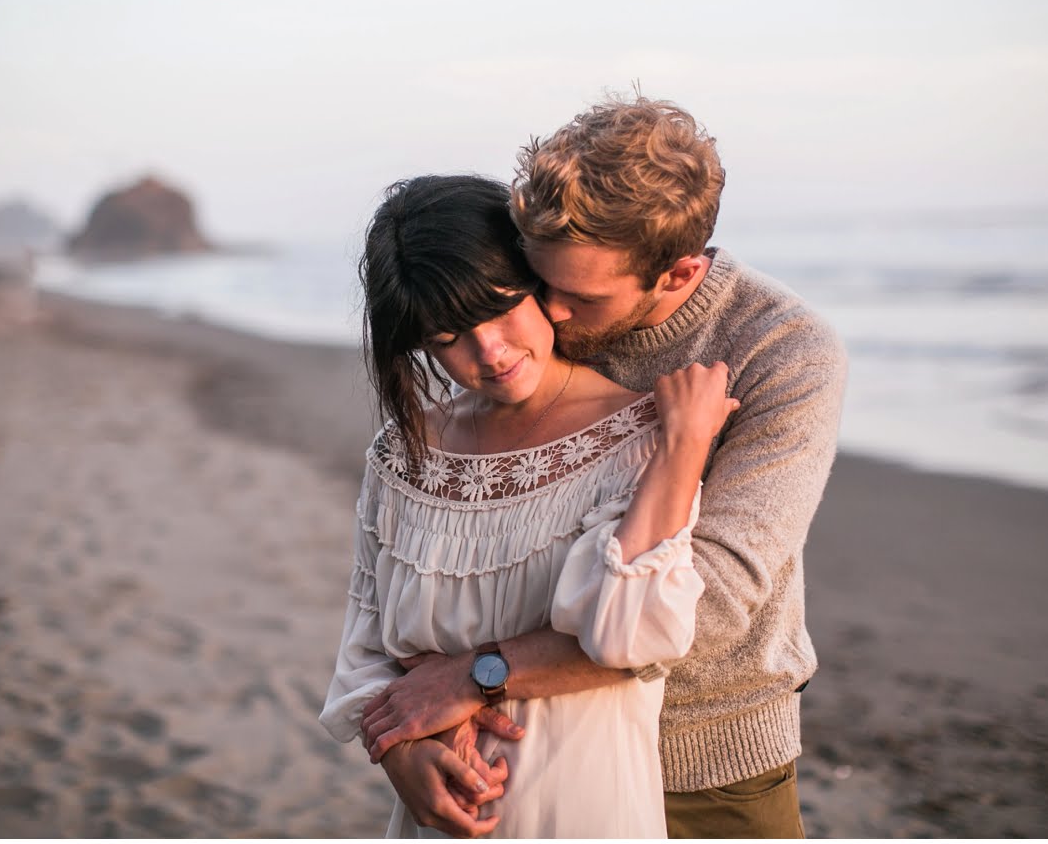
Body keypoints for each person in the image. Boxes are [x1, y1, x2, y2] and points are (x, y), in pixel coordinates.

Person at [357, 96, 848, 838]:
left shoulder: (782, 351)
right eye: (535, 281)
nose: (548, 316)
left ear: (677, 272)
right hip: (524, 747)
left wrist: (473, 675)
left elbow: (709, 606)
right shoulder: (535, 321)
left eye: (578, 297)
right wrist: (406, 730)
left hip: (707, 757)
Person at [318, 174, 740, 837]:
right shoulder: (402, 456)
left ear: (539, 278)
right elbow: (364, 646)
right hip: (438, 821)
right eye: (448, 335)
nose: (490, 350)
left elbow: (633, 636)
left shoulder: (637, 440)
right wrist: (398, 750)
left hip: (583, 810)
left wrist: (684, 447)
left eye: (502, 304)